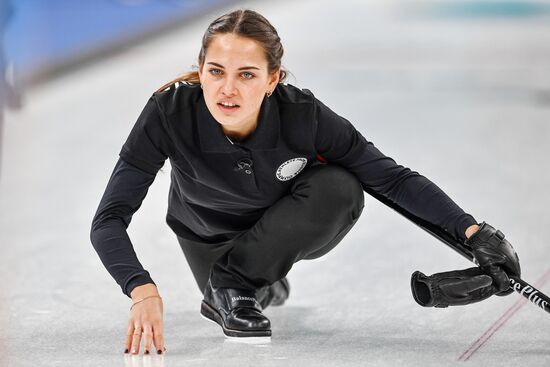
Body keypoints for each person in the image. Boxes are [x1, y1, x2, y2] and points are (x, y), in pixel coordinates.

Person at [90, 8, 521, 355]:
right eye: (217, 71)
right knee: (256, 292)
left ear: (273, 79)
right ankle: (249, 281)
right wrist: (141, 289)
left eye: (247, 74)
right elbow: (108, 219)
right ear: (200, 69)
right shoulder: (169, 113)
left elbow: (391, 179)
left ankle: (241, 281)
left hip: (277, 229)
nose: (228, 90)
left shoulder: (304, 116)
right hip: (206, 239)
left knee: (340, 186)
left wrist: (474, 232)